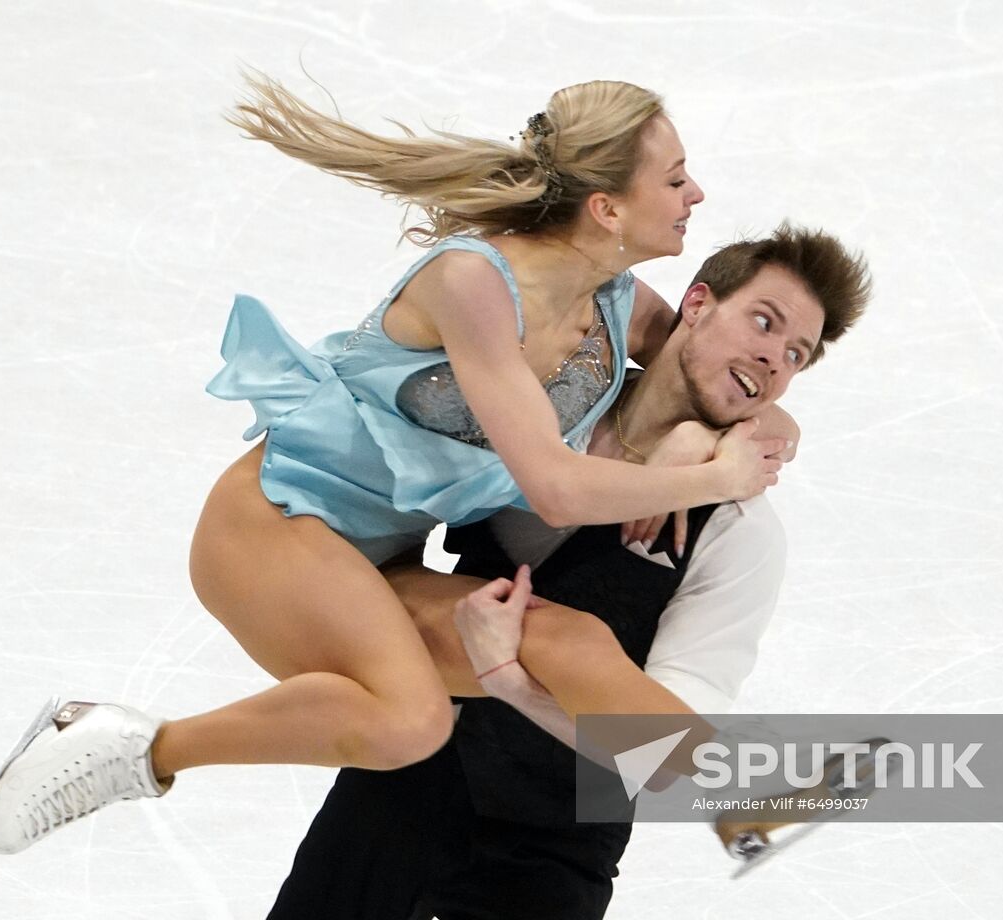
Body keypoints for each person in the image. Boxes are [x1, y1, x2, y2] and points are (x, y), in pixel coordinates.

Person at [0, 75, 794, 856]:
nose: (696, 196)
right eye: (677, 178)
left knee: (572, 646)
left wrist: (730, 432)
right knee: (408, 722)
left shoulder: (615, 301)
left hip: (378, 558)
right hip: (277, 527)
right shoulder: (475, 282)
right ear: (609, 207)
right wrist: (714, 479)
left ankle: (742, 794)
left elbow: (716, 377)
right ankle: (131, 748)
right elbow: (555, 484)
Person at [271, 228, 871, 919]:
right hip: (394, 792)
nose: (773, 357)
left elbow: (667, 752)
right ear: (698, 303)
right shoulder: (551, 405)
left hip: (547, 851)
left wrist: (514, 686)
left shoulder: (740, 535)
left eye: (796, 354)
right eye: (764, 322)